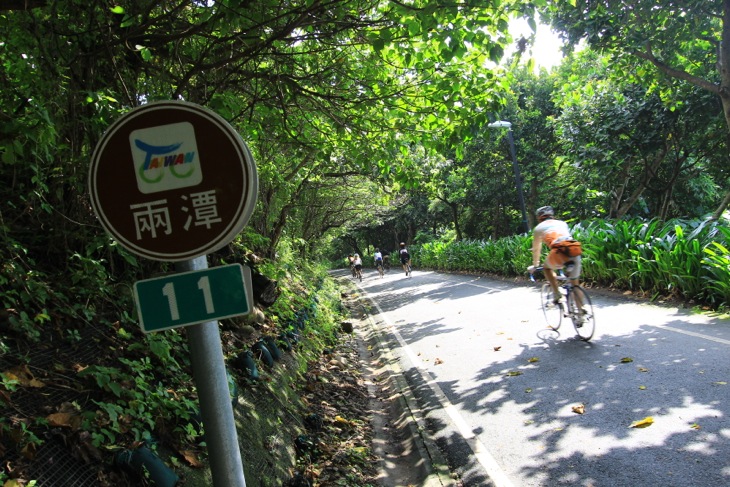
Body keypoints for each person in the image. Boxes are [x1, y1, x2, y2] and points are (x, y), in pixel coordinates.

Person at [527, 206, 583, 308]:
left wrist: (535, 265)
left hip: (559, 252)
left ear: (539, 218)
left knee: (546, 268)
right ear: (552, 216)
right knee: (575, 285)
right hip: (574, 249)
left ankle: (557, 293)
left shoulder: (538, 228)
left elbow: (536, 249)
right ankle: (581, 311)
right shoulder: (562, 223)